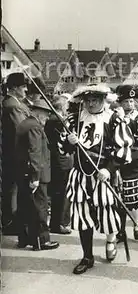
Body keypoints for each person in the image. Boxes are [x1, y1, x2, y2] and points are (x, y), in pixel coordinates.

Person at [58, 84, 134, 275]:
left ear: (103, 100)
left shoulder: (114, 120)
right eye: (88, 100)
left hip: (103, 175)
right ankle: (87, 256)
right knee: (83, 215)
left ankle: (110, 240)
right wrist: (69, 142)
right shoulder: (74, 119)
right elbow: (61, 148)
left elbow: (124, 151)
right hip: (80, 175)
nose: (91, 104)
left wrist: (109, 169)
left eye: (95, 100)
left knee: (107, 211)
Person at [15, 98, 59, 251]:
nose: (47, 118)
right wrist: (35, 177)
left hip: (24, 172)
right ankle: (42, 240)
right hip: (36, 174)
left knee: (24, 205)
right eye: (46, 115)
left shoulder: (25, 124)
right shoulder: (35, 127)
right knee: (40, 207)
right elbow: (35, 152)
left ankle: (24, 238)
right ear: (38, 112)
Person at [114, 85, 138, 242]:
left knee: (133, 197)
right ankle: (120, 231)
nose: (129, 104)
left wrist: (124, 121)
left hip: (133, 161)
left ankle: (136, 224)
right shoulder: (114, 116)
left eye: (131, 101)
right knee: (117, 199)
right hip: (116, 161)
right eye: (126, 101)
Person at [2, 72, 30, 233]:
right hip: (14, 155)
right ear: (13, 88)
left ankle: (10, 220)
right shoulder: (13, 106)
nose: (26, 89)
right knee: (13, 189)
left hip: (11, 154)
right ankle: (10, 222)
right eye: (23, 86)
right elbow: (23, 129)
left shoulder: (13, 103)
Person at [45, 95, 73, 234]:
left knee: (60, 194)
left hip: (56, 161)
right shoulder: (58, 121)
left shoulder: (51, 119)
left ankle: (59, 221)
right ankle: (58, 223)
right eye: (66, 105)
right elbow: (64, 142)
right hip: (61, 162)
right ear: (62, 106)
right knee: (61, 194)